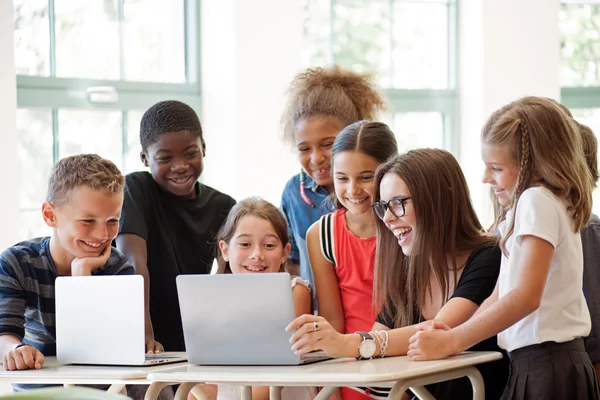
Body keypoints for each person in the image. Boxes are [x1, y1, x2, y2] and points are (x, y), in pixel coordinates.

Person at [407, 96, 599, 399]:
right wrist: (460, 333)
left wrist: (454, 340)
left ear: (530, 165)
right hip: (545, 364)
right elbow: (501, 294)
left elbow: (525, 296)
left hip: (545, 365)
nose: (485, 177)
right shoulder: (544, 203)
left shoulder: (535, 200)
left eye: (495, 167)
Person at [288, 148, 508, 399]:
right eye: (383, 207)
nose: (388, 219)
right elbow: (380, 342)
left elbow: (437, 332)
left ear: (443, 199)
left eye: (399, 204)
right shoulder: (411, 268)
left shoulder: (489, 256)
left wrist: (346, 343)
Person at [0, 154, 134, 390]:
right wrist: (15, 351)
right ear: (51, 215)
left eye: (112, 220)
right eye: (88, 221)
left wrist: (82, 275)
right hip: (39, 394)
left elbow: (105, 348)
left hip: (103, 394)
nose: (103, 234)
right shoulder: (16, 263)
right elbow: (4, 334)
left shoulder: (118, 268)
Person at [116, 100, 236, 355]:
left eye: (190, 153)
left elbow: (229, 276)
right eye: (165, 158)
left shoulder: (223, 205)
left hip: (195, 336)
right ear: (145, 158)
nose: (180, 165)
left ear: (203, 147)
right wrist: (145, 336)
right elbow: (133, 264)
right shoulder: (135, 189)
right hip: (142, 331)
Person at [305, 120, 398, 400]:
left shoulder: (404, 227)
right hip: (348, 367)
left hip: (401, 361)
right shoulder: (321, 234)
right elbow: (332, 317)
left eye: (366, 177)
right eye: (342, 178)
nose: (353, 189)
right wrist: (331, 387)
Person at [190, 197, 314, 400]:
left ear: (285, 253)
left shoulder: (295, 291)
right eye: (245, 244)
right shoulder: (212, 296)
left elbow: (283, 371)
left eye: (269, 245)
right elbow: (206, 377)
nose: (257, 254)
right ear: (225, 250)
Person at [280, 66, 385, 289]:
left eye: (328, 144)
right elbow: (292, 263)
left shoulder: (386, 188)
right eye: (304, 148)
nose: (317, 158)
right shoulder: (293, 193)